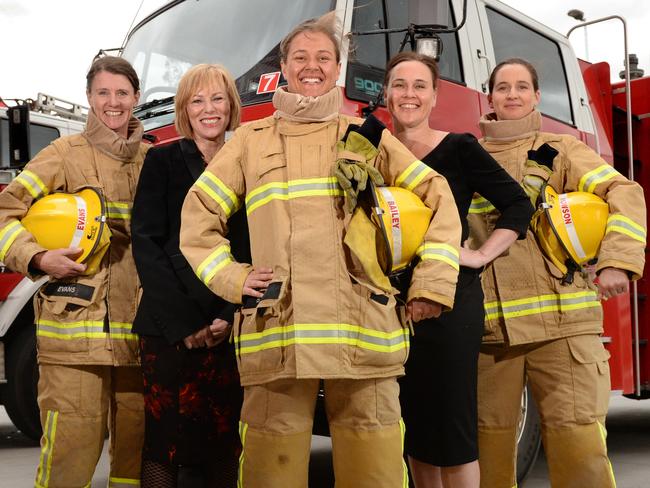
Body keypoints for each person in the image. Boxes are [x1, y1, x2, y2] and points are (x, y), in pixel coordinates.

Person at [179, 13, 462, 488]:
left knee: (376, 474)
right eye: (301, 58)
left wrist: (432, 282)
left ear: (337, 69)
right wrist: (232, 278)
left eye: (324, 58)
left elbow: (439, 200)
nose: (312, 67)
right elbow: (198, 217)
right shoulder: (250, 140)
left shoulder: (369, 136)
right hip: (278, 331)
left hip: (363, 331)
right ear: (285, 68)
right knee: (271, 473)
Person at [470, 58, 646, 488]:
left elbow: (624, 191)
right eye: (503, 87)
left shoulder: (562, 150)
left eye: (522, 87)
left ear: (535, 95)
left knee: (579, 450)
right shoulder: (467, 155)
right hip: (492, 334)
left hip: (563, 328)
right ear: (488, 96)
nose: (512, 95)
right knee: (488, 455)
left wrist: (617, 260)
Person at [384, 52, 533, 488]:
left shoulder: (460, 147)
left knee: (453, 428)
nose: (408, 94)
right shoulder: (372, 151)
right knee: (415, 429)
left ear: (434, 96)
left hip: (451, 303)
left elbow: (518, 205)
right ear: (387, 94)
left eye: (419, 86)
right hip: (391, 306)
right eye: (399, 85)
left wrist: (482, 255)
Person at [0, 56, 148, 487]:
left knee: (134, 465)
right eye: (103, 92)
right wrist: (38, 258)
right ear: (89, 97)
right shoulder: (62, 155)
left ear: (136, 97)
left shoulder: (153, 159)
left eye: (122, 93)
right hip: (75, 341)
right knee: (69, 459)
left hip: (138, 338)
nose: (113, 102)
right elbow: (6, 213)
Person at [131, 63, 249, 488]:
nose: (208, 109)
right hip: (168, 327)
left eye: (217, 98)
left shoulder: (247, 158)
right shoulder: (161, 159)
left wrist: (226, 314)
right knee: (165, 445)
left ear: (231, 105)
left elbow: (251, 247)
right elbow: (146, 243)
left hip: (228, 326)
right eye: (197, 100)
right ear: (183, 109)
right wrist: (186, 323)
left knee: (224, 443)